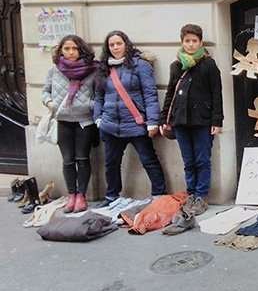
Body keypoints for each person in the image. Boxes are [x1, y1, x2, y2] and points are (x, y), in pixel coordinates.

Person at [94, 30, 166, 205]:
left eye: (119, 43)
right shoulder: (103, 68)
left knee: (149, 160)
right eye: (112, 45)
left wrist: (153, 122)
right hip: (110, 125)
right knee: (111, 163)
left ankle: (159, 195)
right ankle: (112, 196)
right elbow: (98, 96)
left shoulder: (140, 65)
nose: (116, 47)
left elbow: (150, 94)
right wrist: (98, 118)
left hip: (136, 123)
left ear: (126, 44)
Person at [160, 24, 223, 217]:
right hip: (180, 121)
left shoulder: (209, 65)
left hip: (202, 121)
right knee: (188, 161)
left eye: (194, 41)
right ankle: (191, 193)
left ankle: (201, 196)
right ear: (182, 42)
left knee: (202, 160)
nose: (191, 44)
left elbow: (216, 94)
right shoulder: (176, 66)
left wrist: (217, 121)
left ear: (201, 42)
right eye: (187, 41)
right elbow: (170, 93)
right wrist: (164, 119)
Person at [41, 34, 99, 213]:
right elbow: (45, 92)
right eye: (67, 48)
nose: (71, 52)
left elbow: (99, 97)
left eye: (74, 48)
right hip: (63, 121)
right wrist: (50, 103)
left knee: (82, 158)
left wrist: (86, 105)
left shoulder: (92, 70)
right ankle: (71, 195)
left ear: (81, 50)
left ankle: (81, 196)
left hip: (84, 122)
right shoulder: (54, 70)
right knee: (67, 161)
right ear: (61, 50)